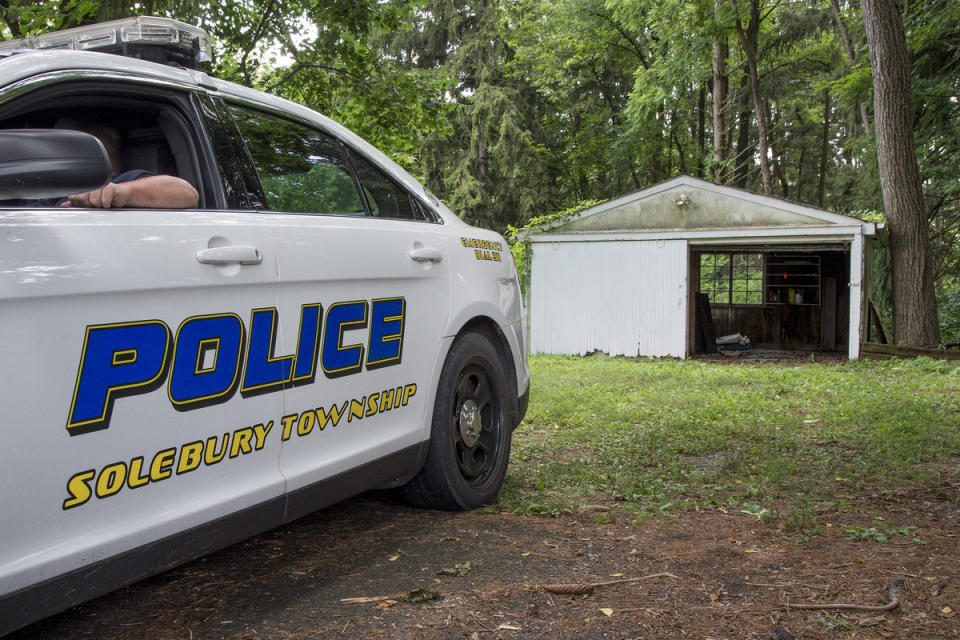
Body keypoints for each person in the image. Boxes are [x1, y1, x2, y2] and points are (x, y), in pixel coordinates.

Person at [54, 117, 199, 209]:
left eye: (58, 147)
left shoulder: (122, 182)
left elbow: (187, 193)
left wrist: (119, 192)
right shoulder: (45, 190)